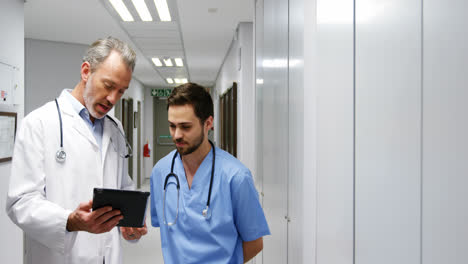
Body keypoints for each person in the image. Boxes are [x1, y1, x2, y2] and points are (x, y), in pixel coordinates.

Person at [6, 37, 147, 264]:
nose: (113, 99)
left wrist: (130, 222)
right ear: (85, 71)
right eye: (108, 85)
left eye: (121, 91)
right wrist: (69, 221)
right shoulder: (39, 123)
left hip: (108, 256)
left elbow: (122, 186)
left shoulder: (115, 128)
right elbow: (20, 202)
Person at [150, 83, 270, 263]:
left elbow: (254, 242)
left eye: (185, 127)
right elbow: (168, 232)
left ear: (208, 123)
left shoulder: (235, 177)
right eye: (172, 126)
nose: (176, 135)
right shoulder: (161, 172)